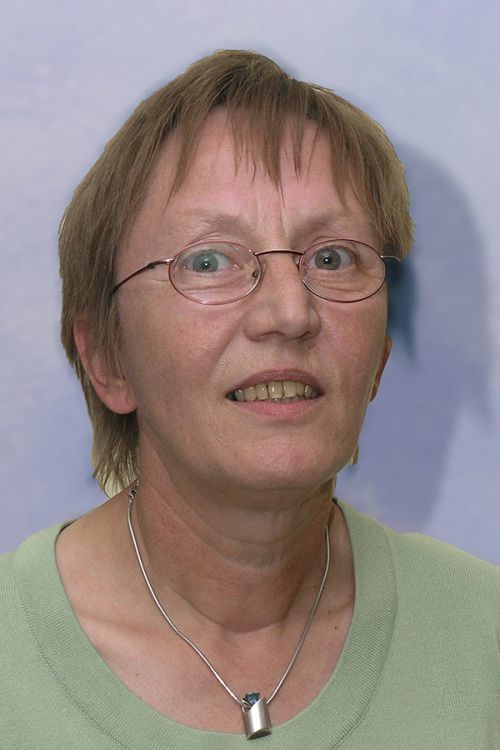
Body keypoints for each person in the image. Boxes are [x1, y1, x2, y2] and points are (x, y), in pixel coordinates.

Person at [1, 50, 498, 749]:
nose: (290, 313)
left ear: (380, 357)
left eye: (332, 257)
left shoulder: (484, 639)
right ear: (107, 358)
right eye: (209, 260)